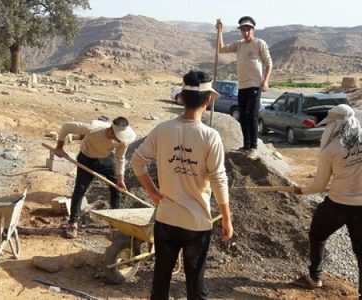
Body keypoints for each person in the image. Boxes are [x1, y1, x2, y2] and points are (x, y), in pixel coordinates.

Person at [131, 70, 233, 300]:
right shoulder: (210, 136)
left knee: (160, 281)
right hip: (196, 223)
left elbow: (137, 162)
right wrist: (226, 217)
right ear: (207, 101)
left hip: (166, 219)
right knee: (195, 284)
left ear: (182, 98)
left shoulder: (162, 130)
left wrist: (154, 194)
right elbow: (218, 179)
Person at [293, 104, 362, 299]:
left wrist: (302, 190)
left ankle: (315, 276)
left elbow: (320, 185)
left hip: (337, 204)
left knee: (317, 235)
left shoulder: (331, 149)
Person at [54, 117, 136, 238]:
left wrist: (121, 179)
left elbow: (120, 158)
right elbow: (66, 127)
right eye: (117, 137)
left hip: (106, 158)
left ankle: (115, 221)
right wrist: (59, 147)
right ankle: (73, 222)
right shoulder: (93, 128)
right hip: (86, 158)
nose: (119, 140)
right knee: (80, 189)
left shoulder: (122, 141)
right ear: (112, 131)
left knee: (117, 189)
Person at [216, 16, 273, 160]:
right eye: (243, 30)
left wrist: (265, 81)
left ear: (253, 30)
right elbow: (221, 49)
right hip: (242, 87)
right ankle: (246, 145)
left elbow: (269, 63)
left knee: (252, 116)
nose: (246, 32)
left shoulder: (259, 43)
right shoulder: (239, 44)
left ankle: (253, 147)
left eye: (248, 29)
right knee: (243, 116)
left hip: (255, 85)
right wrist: (220, 31)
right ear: (240, 31)